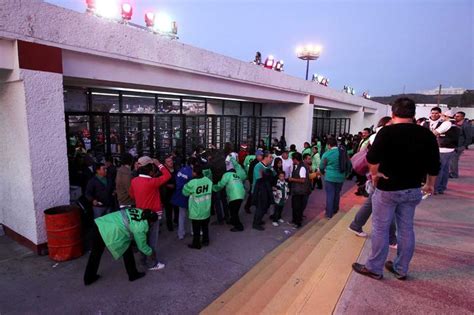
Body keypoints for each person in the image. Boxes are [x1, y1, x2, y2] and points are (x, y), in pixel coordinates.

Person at [352, 97, 440, 280]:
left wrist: (375, 175)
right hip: (413, 189)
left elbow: (372, 159)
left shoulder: (386, 133)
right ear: (414, 115)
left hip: (388, 189)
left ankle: (374, 268)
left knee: (380, 229)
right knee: (407, 229)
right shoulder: (427, 135)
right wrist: (430, 184)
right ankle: (401, 268)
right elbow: (434, 165)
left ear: (393, 113)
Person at [348, 116, 397, 248]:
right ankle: (391, 238)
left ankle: (356, 225)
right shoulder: (381, 136)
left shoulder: (377, 136)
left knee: (373, 204)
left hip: (377, 176)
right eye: (391, 123)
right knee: (388, 207)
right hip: (380, 176)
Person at [83, 208, 157, 285]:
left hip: (101, 222)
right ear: (150, 221)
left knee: (96, 254)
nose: (152, 225)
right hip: (107, 230)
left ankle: (88, 278)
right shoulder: (141, 226)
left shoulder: (139, 211)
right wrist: (151, 252)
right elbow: (142, 246)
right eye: (153, 223)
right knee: (124, 249)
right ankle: (133, 274)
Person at [129, 156, 171, 270]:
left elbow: (132, 195)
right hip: (153, 216)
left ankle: (143, 262)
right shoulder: (152, 182)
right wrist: (159, 164)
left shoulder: (134, 181)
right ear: (150, 168)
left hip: (139, 215)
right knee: (152, 241)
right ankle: (153, 263)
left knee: (142, 240)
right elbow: (167, 175)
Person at [183, 165, 213, 249]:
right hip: (206, 209)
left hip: (196, 210)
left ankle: (196, 244)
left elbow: (184, 192)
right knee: (205, 227)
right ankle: (206, 241)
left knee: (196, 229)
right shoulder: (208, 180)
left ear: (195, 173)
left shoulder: (192, 183)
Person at [213, 157, 247, 232]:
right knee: (234, 209)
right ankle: (233, 221)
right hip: (241, 194)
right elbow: (238, 166)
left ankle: (239, 226)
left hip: (234, 196)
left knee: (233, 212)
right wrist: (232, 158)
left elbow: (221, 185)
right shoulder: (236, 175)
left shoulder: (226, 175)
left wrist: (213, 188)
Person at [319, 138, 350, 218]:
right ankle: (335, 209)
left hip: (329, 177)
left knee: (330, 194)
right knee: (337, 193)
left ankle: (329, 213)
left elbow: (321, 166)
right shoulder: (342, 152)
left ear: (329, 145)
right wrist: (346, 174)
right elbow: (349, 164)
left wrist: (323, 173)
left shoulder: (326, 154)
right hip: (340, 177)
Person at [432, 111, 459, 194]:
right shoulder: (454, 124)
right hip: (450, 148)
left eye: (443, 115)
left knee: (439, 169)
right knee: (445, 169)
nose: (441, 117)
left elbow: (435, 132)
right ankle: (442, 187)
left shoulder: (446, 123)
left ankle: (435, 188)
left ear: (447, 116)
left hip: (443, 149)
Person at [171, 157, 195, 240]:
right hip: (188, 195)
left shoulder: (181, 170)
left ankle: (180, 233)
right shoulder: (191, 173)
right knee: (192, 215)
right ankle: (193, 231)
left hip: (179, 194)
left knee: (181, 216)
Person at [288, 152, 310, 228]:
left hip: (300, 191)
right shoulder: (297, 166)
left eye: (292, 159)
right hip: (296, 190)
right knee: (294, 206)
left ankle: (298, 222)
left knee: (297, 207)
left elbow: (303, 180)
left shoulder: (302, 168)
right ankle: (294, 220)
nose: (292, 160)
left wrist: (292, 179)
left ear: (295, 159)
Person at [450, 111, 472, 178]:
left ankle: (454, 174)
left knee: (454, 160)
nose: (455, 117)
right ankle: (452, 172)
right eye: (455, 116)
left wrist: (464, 146)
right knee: (452, 160)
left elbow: (469, 137)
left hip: (459, 146)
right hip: (453, 145)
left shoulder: (466, 125)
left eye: (458, 116)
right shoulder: (455, 124)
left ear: (462, 117)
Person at [161, 155, 179, 231]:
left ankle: (176, 221)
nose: (171, 162)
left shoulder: (176, 169)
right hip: (167, 194)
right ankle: (170, 226)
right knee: (168, 211)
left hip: (176, 193)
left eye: (171, 160)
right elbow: (160, 182)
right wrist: (167, 185)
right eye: (168, 161)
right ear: (165, 164)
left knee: (176, 209)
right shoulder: (163, 172)